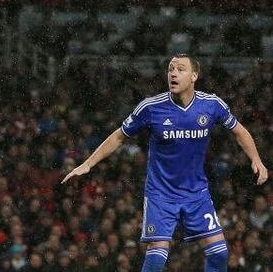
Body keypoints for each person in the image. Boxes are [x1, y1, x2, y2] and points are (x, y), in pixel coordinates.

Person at [62, 55, 269, 272]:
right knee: (157, 257)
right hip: (161, 194)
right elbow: (118, 136)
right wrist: (88, 164)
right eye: (170, 69)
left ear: (194, 76)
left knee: (219, 252)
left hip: (196, 192)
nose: (173, 73)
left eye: (180, 69)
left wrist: (256, 159)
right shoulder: (151, 107)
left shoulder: (211, 105)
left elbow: (239, 131)